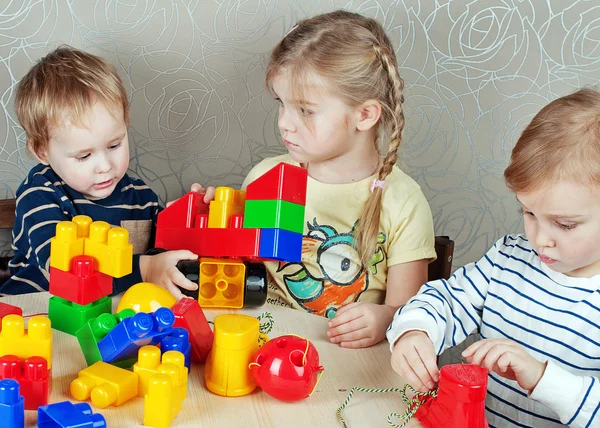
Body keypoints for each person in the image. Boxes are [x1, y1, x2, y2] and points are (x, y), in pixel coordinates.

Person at [388, 88, 600, 427]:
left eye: (564, 224)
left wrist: (542, 378)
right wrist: (415, 331)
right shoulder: (508, 258)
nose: (540, 239)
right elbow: (445, 299)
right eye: (528, 212)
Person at [241, 10, 436, 349]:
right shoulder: (266, 179)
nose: (285, 123)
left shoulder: (403, 202)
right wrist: (214, 220)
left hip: (347, 363)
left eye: (305, 110)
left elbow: (411, 314)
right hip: (264, 346)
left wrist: (385, 318)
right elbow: (242, 269)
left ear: (364, 114)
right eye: (281, 104)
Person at [2, 45, 213, 298]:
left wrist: (188, 221)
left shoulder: (140, 196)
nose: (105, 166)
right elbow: (62, 270)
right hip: (36, 316)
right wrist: (144, 269)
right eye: (83, 156)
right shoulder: (39, 195)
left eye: (114, 145)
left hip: (117, 318)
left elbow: (164, 256)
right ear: (42, 151)